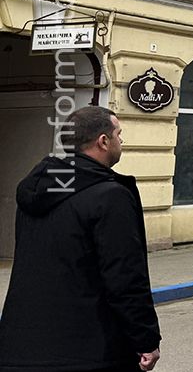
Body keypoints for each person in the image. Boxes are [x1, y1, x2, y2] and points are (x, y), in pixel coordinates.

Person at [0, 106, 161, 372]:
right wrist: (145, 338)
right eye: (119, 134)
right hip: (90, 350)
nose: (122, 141)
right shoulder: (110, 196)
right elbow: (125, 277)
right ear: (103, 141)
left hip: (20, 350)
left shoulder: (35, 189)